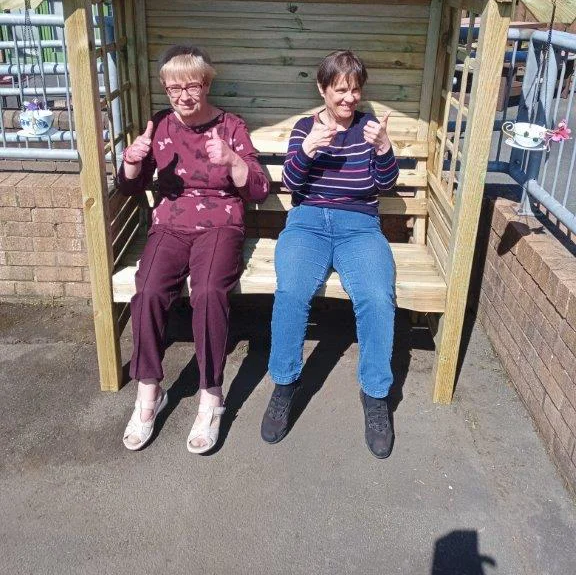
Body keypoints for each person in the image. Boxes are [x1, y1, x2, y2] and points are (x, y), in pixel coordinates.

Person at [119, 44, 269, 453]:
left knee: (207, 292)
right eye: (173, 88)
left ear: (206, 84)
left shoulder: (231, 126)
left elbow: (258, 189)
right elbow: (131, 185)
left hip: (220, 223)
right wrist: (132, 161)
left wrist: (233, 161)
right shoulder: (161, 125)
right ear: (165, 90)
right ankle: (149, 392)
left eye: (192, 86)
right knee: (147, 291)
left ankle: (211, 397)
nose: (183, 96)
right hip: (169, 223)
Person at [260, 50, 399, 459]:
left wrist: (385, 148)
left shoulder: (370, 129)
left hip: (359, 226)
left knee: (377, 298)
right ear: (323, 89)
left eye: (355, 90)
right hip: (307, 223)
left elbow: (385, 185)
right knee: (292, 294)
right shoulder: (305, 127)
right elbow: (289, 183)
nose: (349, 98)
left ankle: (375, 396)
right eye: (340, 89)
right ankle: (284, 386)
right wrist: (307, 150)